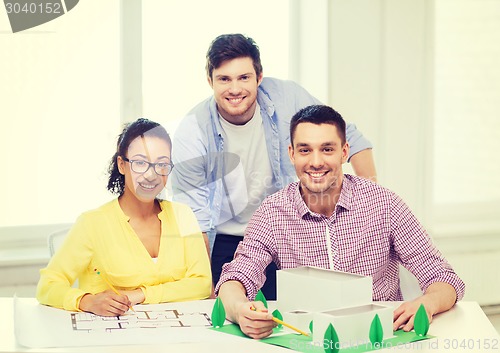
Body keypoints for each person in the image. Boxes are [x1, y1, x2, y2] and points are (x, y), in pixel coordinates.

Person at [216, 104, 465, 339]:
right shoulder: (273, 212)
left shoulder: (384, 204)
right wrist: (240, 310)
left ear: (344, 152)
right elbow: (234, 278)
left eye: (327, 149)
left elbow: (445, 279)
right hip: (305, 338)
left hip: (379, 335)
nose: (315, 162)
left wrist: (427, 303)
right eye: (305, 150)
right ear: (292, 154)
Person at [171, 33, 377, 300]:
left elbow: (350, 138)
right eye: (224, 79)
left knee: (303, 311)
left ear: (259, 77)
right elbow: (194, 220)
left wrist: (371, 202)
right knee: (230, 318)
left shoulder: (286, 97)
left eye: (244, 77)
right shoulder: (192, 132)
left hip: (286, 232)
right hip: (224, 240)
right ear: (209, 81)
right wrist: (207, 286)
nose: (235, 89)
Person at [37, 118, 211, 316]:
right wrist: (87, 301)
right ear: (122, 164)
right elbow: (47, 286)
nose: (151, 175)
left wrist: (140, 295)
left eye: (161, 164)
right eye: (140, 163)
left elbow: (202, 284)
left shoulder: (183, 215)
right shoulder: (92, 223)